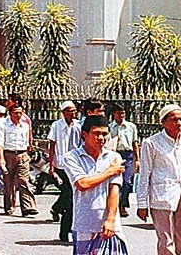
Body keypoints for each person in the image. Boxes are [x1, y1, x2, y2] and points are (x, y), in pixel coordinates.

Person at [136, 104, 181, 255]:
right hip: (162, 196)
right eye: (174, 120)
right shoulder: (151, 143)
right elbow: (144, 175)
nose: (179, 123)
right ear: (163, 122)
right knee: (166, 239)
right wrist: (142, 204)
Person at [63, 114, 126, 255]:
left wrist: (110, 220)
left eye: (104, 134)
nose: (101, 138)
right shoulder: (72, 157)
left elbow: (114, 190)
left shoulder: (113, 157)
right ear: (84, 135)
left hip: (109, 225)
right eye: (96, 134)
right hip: (84, 224)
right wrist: (109, 172)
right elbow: (82, 183)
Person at [48, 100, 82, 244]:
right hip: (61, 165)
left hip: (75, 166)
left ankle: (57, 209)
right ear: (63, 112)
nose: (72, 113)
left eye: (74, 110)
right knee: (68, 197)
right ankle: (64, 230)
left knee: (70, 198)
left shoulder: (78, 125)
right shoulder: (56, 125)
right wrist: (51, 165)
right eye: (69, 110)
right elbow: (52, 144)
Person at [0, 100, 38, 217]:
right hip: (9, 154)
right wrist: (1, 159)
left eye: (20, 113)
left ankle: (28, 207)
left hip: (22, 154)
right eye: (16, 113)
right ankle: (10, 206)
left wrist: (29, 151)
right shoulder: (4, 126)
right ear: (10, 113)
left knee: (23, 180)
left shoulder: (25, 126)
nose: (18, 115)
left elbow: (28, 140)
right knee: (9, 183)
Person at [109, 103, 139, 218]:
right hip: (115, 154)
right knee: (116, 181)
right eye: (119, 113)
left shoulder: (131, 127)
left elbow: (134, 143)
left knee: (127, 181)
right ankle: (115, 204)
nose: (121, 116)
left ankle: (123, 205)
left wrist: (137, 159)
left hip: (127, 155)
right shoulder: (111, 127)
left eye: (123, 113)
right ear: (114, 114)